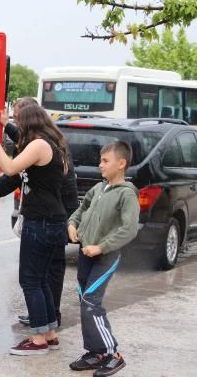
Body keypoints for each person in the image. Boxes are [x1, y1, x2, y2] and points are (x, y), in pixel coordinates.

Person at [0, 97, 78, 329]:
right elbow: (14, 178)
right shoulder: (45, 144)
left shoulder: (39, 146)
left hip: (43, 221)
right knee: (40, 280)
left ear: (29, 123)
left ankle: (39, 337)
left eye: (19, 122)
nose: (17, 126)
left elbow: (9, 168)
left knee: (31, 280)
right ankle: (49, 333)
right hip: (46, 220)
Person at [67, 141, 139, 376]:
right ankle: (95, 352)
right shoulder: (99, 188)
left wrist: (102, 247)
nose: (100, 165)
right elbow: (81, 208)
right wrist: (72, 224)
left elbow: (129, 229)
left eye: (105, 161)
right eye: (100, 160)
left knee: (90, 303)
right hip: (85, 254)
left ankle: (112, 354)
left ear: (121, 163)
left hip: (105, 257)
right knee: (85, 302)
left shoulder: (126, 194)